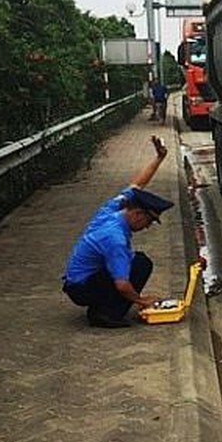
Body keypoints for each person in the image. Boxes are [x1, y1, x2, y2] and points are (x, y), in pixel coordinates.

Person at [62, 136, 171, 327]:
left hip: (78, 281)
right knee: (140, 264)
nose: (147, 227)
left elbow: (137, 186)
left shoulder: (113, 209)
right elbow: (121, 284)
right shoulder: (115, 238)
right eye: (148, 221)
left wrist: (159, 159)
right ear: (137, 214)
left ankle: (103, 305)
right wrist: (142, 300)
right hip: (81, 288)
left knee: (133, 260)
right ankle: (106, 314)